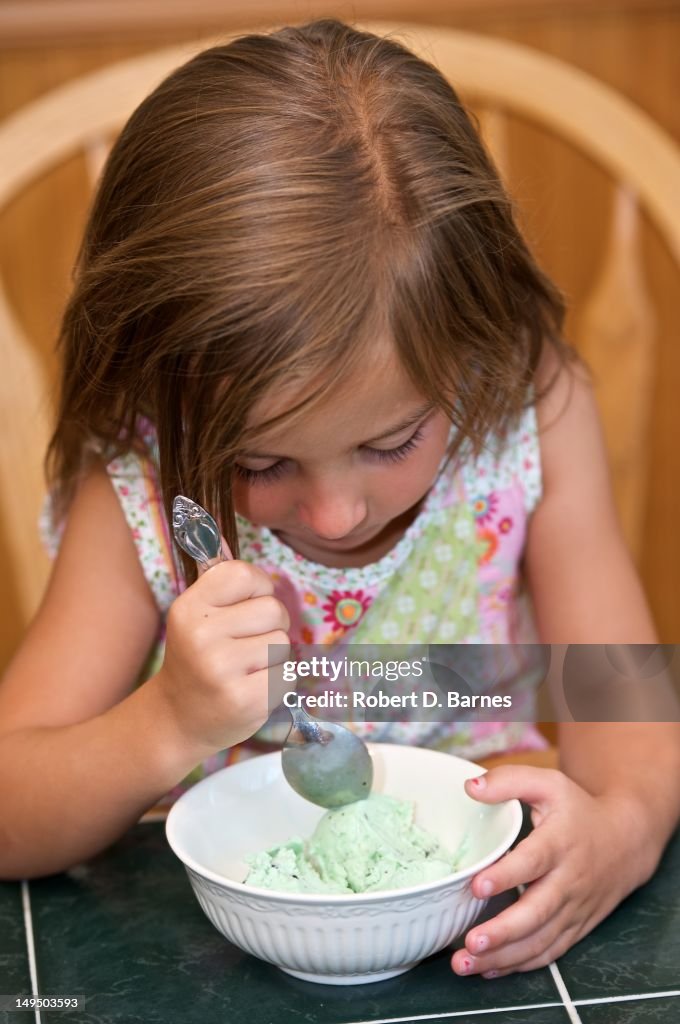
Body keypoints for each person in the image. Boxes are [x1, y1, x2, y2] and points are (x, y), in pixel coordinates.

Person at [1, 19, 678, 981]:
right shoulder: (142, 490)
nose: (334, 515)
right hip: (210, 946)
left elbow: (628, 707)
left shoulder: (526, 416)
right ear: (157, 385)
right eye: (259, 463)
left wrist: (625, 829)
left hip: (491, 903)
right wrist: (168, 723)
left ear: (473, 348)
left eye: (393, 442)